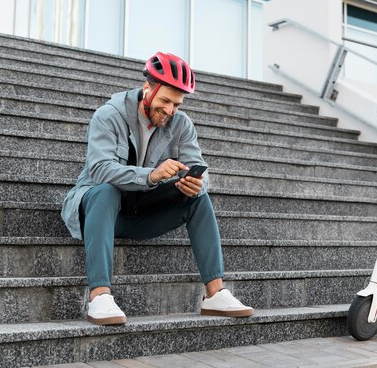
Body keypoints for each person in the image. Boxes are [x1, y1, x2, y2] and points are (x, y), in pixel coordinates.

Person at [61, 52, 254, 325]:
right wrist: (151, 175)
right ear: (147, 90)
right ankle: (100, 295)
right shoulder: (109, 116)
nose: (170, 110)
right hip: (98, 212)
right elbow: (100, 169)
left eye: (177, 103)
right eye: (165, 101)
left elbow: (200, 167)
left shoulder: (181, 124)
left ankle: (215, 293)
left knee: (198, 198)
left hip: (140, 212)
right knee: (106, 191)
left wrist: (195, 183)